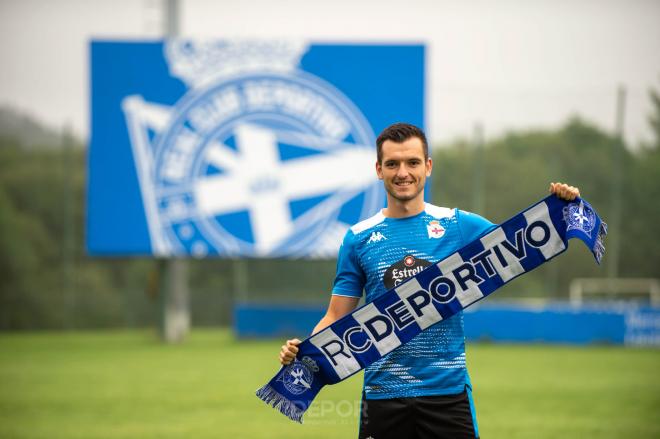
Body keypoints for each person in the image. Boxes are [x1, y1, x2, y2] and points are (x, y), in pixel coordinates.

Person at [279, 123, 580, 439]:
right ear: (379, 170)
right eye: (392, 164)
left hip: (447, 394)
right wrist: (304, 353)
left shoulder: (457, 225)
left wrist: (562, 206)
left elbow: (521, 244)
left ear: (428, 166)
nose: (403, 172)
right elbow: (336, 316)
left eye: (412, 162)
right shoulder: (358, 238)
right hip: (383, 395)